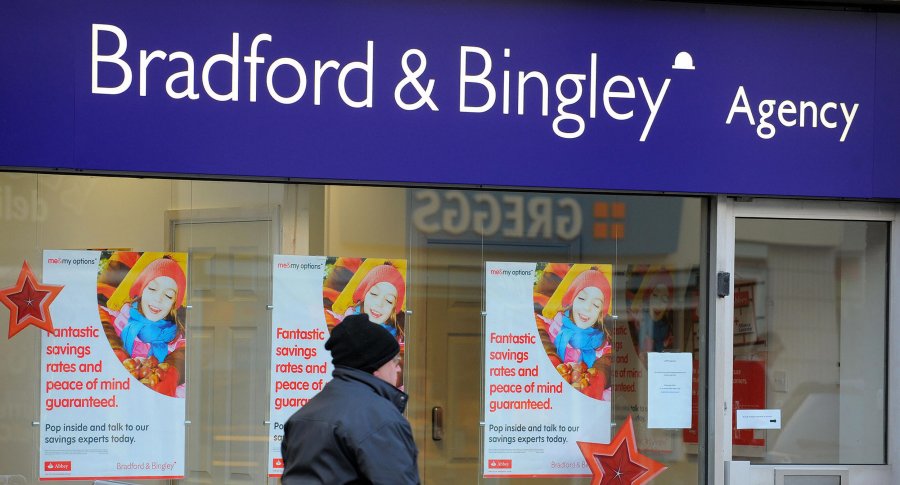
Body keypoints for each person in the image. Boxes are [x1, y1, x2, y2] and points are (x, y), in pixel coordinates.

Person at [281, 313, 420, 485]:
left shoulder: (303, 415)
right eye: (394, 361)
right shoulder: (381, 419)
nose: (398, 369)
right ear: (375, 366)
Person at [99, 255, 186, 397]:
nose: (158, 299)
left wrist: (168, 378)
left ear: (173, 305)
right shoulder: (116, 320)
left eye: (169, 296)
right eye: (152, 289)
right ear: (141, 290)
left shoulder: (176, 343)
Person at [536, 268, 613, 400]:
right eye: (582, 298)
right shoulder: (551, 328)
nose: (587, 308)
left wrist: (597, 380)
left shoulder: (602, 347)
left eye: (595, 305)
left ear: (601, 314)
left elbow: (609, 362)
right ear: (571, 300)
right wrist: (552, 361)